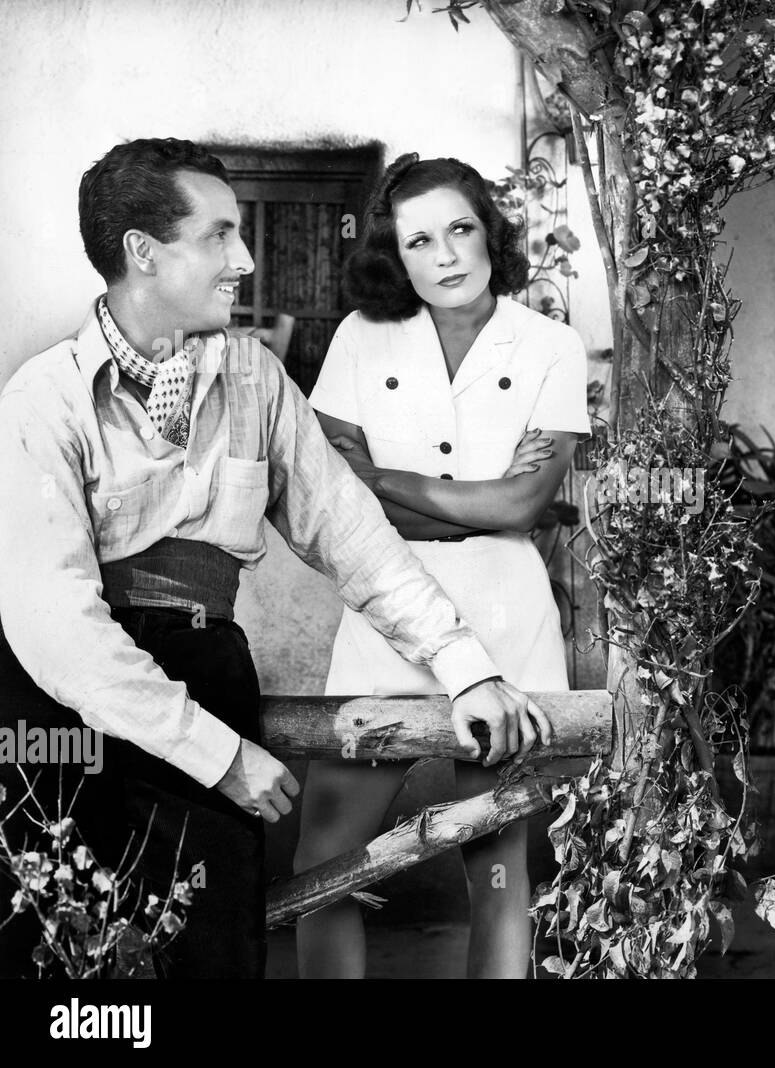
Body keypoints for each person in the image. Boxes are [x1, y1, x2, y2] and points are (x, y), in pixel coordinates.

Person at [0, 138, 542, 979]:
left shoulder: (255, 380)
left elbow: (352, 536)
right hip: (62, 715)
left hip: (210, 672)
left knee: (214, 954)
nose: (245, 260)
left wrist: (464, 665)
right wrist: (221, 756)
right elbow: (56, 630)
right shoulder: (44, 398)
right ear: (143, 252)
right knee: (66, 961)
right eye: (218, 235)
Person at [293, 154, 590, 979]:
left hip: (507, 618)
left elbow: (521, 509)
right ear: (396, 252)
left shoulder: (551, 347)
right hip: (386, 610)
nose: (448, 255)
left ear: (490, 232)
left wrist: (379, 482)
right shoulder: (362, 336)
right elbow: (329, 495)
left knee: (497, 871)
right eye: (420, 240)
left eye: (462, 229)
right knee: (325, 867)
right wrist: (470, 495)